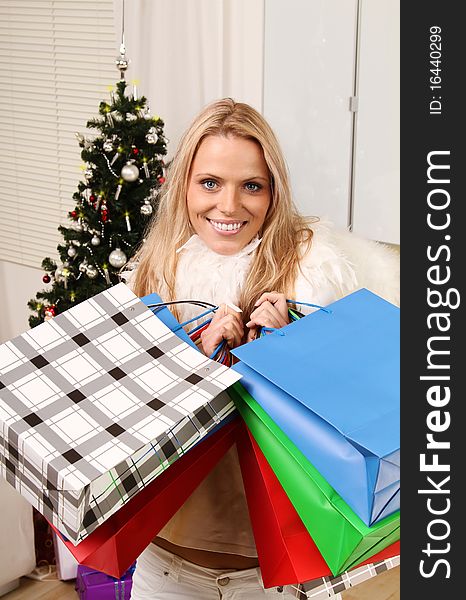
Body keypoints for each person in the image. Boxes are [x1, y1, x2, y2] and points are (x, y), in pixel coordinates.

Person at [125, 98, 399, 599]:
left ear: (274, 191)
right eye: (210, 183)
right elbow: (129, 418)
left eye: (251, 185)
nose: (228, 207)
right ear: (184, 184)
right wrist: (193, 359)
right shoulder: (158, 270)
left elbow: (358, 420)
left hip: (278, 576)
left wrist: (288, 349)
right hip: (164, 566)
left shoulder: (313, 271)